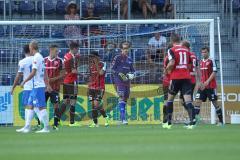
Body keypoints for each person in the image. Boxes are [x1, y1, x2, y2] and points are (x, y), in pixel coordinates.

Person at [163, 33, 196, 129]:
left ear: (171, 41)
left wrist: (166, 70)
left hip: (176, 78)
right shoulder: (187, 50)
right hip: (186, 78)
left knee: (170, 100)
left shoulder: (171, 50)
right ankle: (192, 123)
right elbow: (190, 65)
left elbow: (172, 62)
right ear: (180, 40)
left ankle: (168, 123)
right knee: (188, 101)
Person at [20, 40, 51, 133]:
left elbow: (33, 72)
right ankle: (27, 127)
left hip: (38, 86)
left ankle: (46, 128)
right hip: (36, 86)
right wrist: (48, 84)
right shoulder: (40, 57)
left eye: (30, 47)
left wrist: (24, 81)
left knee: (41, 107)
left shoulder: (36, 57)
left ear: (32, 47)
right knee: (30, 105)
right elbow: (45, 72)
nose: (29, 48)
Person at [194, 47, 224, 126]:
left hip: (211, 86)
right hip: (202, 87)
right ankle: (194, 121)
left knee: (215, 103)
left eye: (205, 52)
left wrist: (207, 81)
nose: (203, 54)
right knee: (197, 101)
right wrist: (199, 82)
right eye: (202, 52)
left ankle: (221, 121)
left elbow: (214, 72)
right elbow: (199, 74)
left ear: (208, 52)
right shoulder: (200, 62)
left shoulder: (212, 61)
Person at [11, 44, 34, 133]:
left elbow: (18, 76)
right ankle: (27, 126)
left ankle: (27, 126)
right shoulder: (37, 59)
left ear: (24, 51)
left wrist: (13, 87)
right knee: (34, 107)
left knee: (28, 106)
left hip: (28, 86)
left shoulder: (23, 62)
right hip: (36, 86)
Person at [111, 41, 135, 125]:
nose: (126, 50)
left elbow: (133, 71)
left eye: (127, 48)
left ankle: (121, 119)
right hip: (119, 80)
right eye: (124, 48)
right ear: (121, 49)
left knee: (125, 98)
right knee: (121, 97)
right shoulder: (117, 58)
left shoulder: (130, 60)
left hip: (127, 82)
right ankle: (123, 119)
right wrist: (120, 74)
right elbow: (112, 69)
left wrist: (132, 75)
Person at [58, 41, 81, 127]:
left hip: (66, 81)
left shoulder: (67, 56)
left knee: (65, 101)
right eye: (77, 49)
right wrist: (84, 75)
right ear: (74, 49)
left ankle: (57, 119)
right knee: (73, 101)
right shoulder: (70, 58)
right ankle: (72, 122)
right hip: (72, 81)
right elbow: (73, 70)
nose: (78, 50)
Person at [44, 44, 65, 130]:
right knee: (41, 106)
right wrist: (46, 83)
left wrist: (52, 79)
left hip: (55, 88)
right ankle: (41, 124)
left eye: (58, 51)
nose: (57, 53)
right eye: (56, 51)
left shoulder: (60, 61)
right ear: (51, 50)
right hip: (44, 88)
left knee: (56, 106)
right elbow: (40, 75)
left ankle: (55, 125)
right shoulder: (43, 60)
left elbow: (63, 74)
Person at [87, 50, 110, 128]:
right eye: (90, 57)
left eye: (92, 57)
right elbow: (90, 76)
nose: (91, 59)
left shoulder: (103, 64)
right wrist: (89, 85)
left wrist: (96, 63)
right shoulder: (90, 66)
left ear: (97, 57)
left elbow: (101, 73)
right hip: (91, 87)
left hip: (100, 88)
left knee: (95, 104)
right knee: (94, 105)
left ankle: (100, 120)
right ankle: (100, 120)